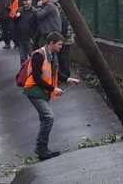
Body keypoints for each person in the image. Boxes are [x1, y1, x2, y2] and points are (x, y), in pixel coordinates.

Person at [23, 31, 80, 160]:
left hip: (41, 91)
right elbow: (37, 78)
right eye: (59, 44)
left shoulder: (51, 54)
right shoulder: (39, 55)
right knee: (48, 117)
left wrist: (69, 80)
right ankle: (41, 148)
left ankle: (42, 149)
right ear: (51, 43)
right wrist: (53, 88)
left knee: (45, 118)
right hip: (34, 90)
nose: (61, 47)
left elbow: (56, 72)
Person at [15, 0, 38, 65]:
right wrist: (16, 17)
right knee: (22, 59)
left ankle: (32, 74)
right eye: (23, 1)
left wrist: (34, 38)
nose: (24, 2)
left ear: (31, 0)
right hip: (21, 39)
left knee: (33, 59)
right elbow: (15, 24)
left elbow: (37, 26)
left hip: (30, 39)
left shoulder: (34, 12)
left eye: (26, 0)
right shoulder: (19, 11)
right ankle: (24, 75)